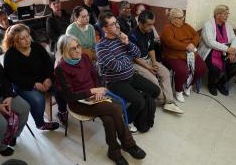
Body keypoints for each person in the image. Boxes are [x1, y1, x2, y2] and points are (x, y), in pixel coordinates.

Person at [55, 34, 146, 165]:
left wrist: (99, 89)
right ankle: (128, 144)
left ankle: (114, 152)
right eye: (73, 49)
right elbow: (70, 96)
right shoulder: (61, 68)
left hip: (95, 96)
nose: (78, 50)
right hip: (78, 102)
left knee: (109, 118)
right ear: (64, 51)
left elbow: (97, 76)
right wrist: (91, 91)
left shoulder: (85, 57)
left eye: (78, 46)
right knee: (117, 107)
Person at [96, 11, 160, 132]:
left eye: (117, 22)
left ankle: (140, 115)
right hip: (115, 82)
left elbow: (138, 53)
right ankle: (126, 120)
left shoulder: (122, 38)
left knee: (155, 90)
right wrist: (129, 59)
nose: (118, 26)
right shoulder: (101, 47)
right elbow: (116, 67)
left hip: (130, 75)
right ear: (105, 28)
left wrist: (128, 43)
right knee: (139, 101)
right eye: (113, 24)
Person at [3, 24, 67, 130]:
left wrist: (49, 78)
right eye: (22, 38)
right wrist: (34, 84)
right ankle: (40, 123)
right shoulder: (10, 55)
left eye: (27, 36)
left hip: (43, 78)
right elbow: (14, 77)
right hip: (24, 84)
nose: (27, 40)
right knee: (38, 99)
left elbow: (48, 63)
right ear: (15, 41)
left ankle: (62, 111)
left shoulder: (36, 46)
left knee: (61, 86)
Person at [129, 10, 183, 114]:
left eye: (153, 24)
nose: (151, 27)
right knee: (153, 79)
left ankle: (169, 102)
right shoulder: (132, 35)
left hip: (148, 60)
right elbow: (134, 57)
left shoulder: (150, 31)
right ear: (140, 23)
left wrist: (154, 63)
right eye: (149, 24)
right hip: (136, 63)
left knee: (165, 73)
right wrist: (148, 68)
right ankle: (163, 100)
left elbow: (151, 48)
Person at [161, 8, 207, 103]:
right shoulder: (167, 28)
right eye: (180, 18)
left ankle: (189, 85)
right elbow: (171, 43)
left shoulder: (186, 26)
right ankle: (178, 91)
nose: (183, 19)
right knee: (182, 71)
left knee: (202, 67)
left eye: (183, 17)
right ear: (173, 18)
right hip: (173, 55)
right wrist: (186, 46)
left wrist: (192, 44)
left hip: (190, 52)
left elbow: (196, 35)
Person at [198, 5, 236, 96]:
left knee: (235, 67)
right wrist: (228, 49)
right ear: (217, 15)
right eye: (225, 14)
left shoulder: (228, 26)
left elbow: (234, 39)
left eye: (227, 14)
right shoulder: (208, 24)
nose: (227, 16)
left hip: (225, 51)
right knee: (215, 68)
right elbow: (210, 42)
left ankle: (220, 83)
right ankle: (211, 84)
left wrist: (232, 51)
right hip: (210, 51)